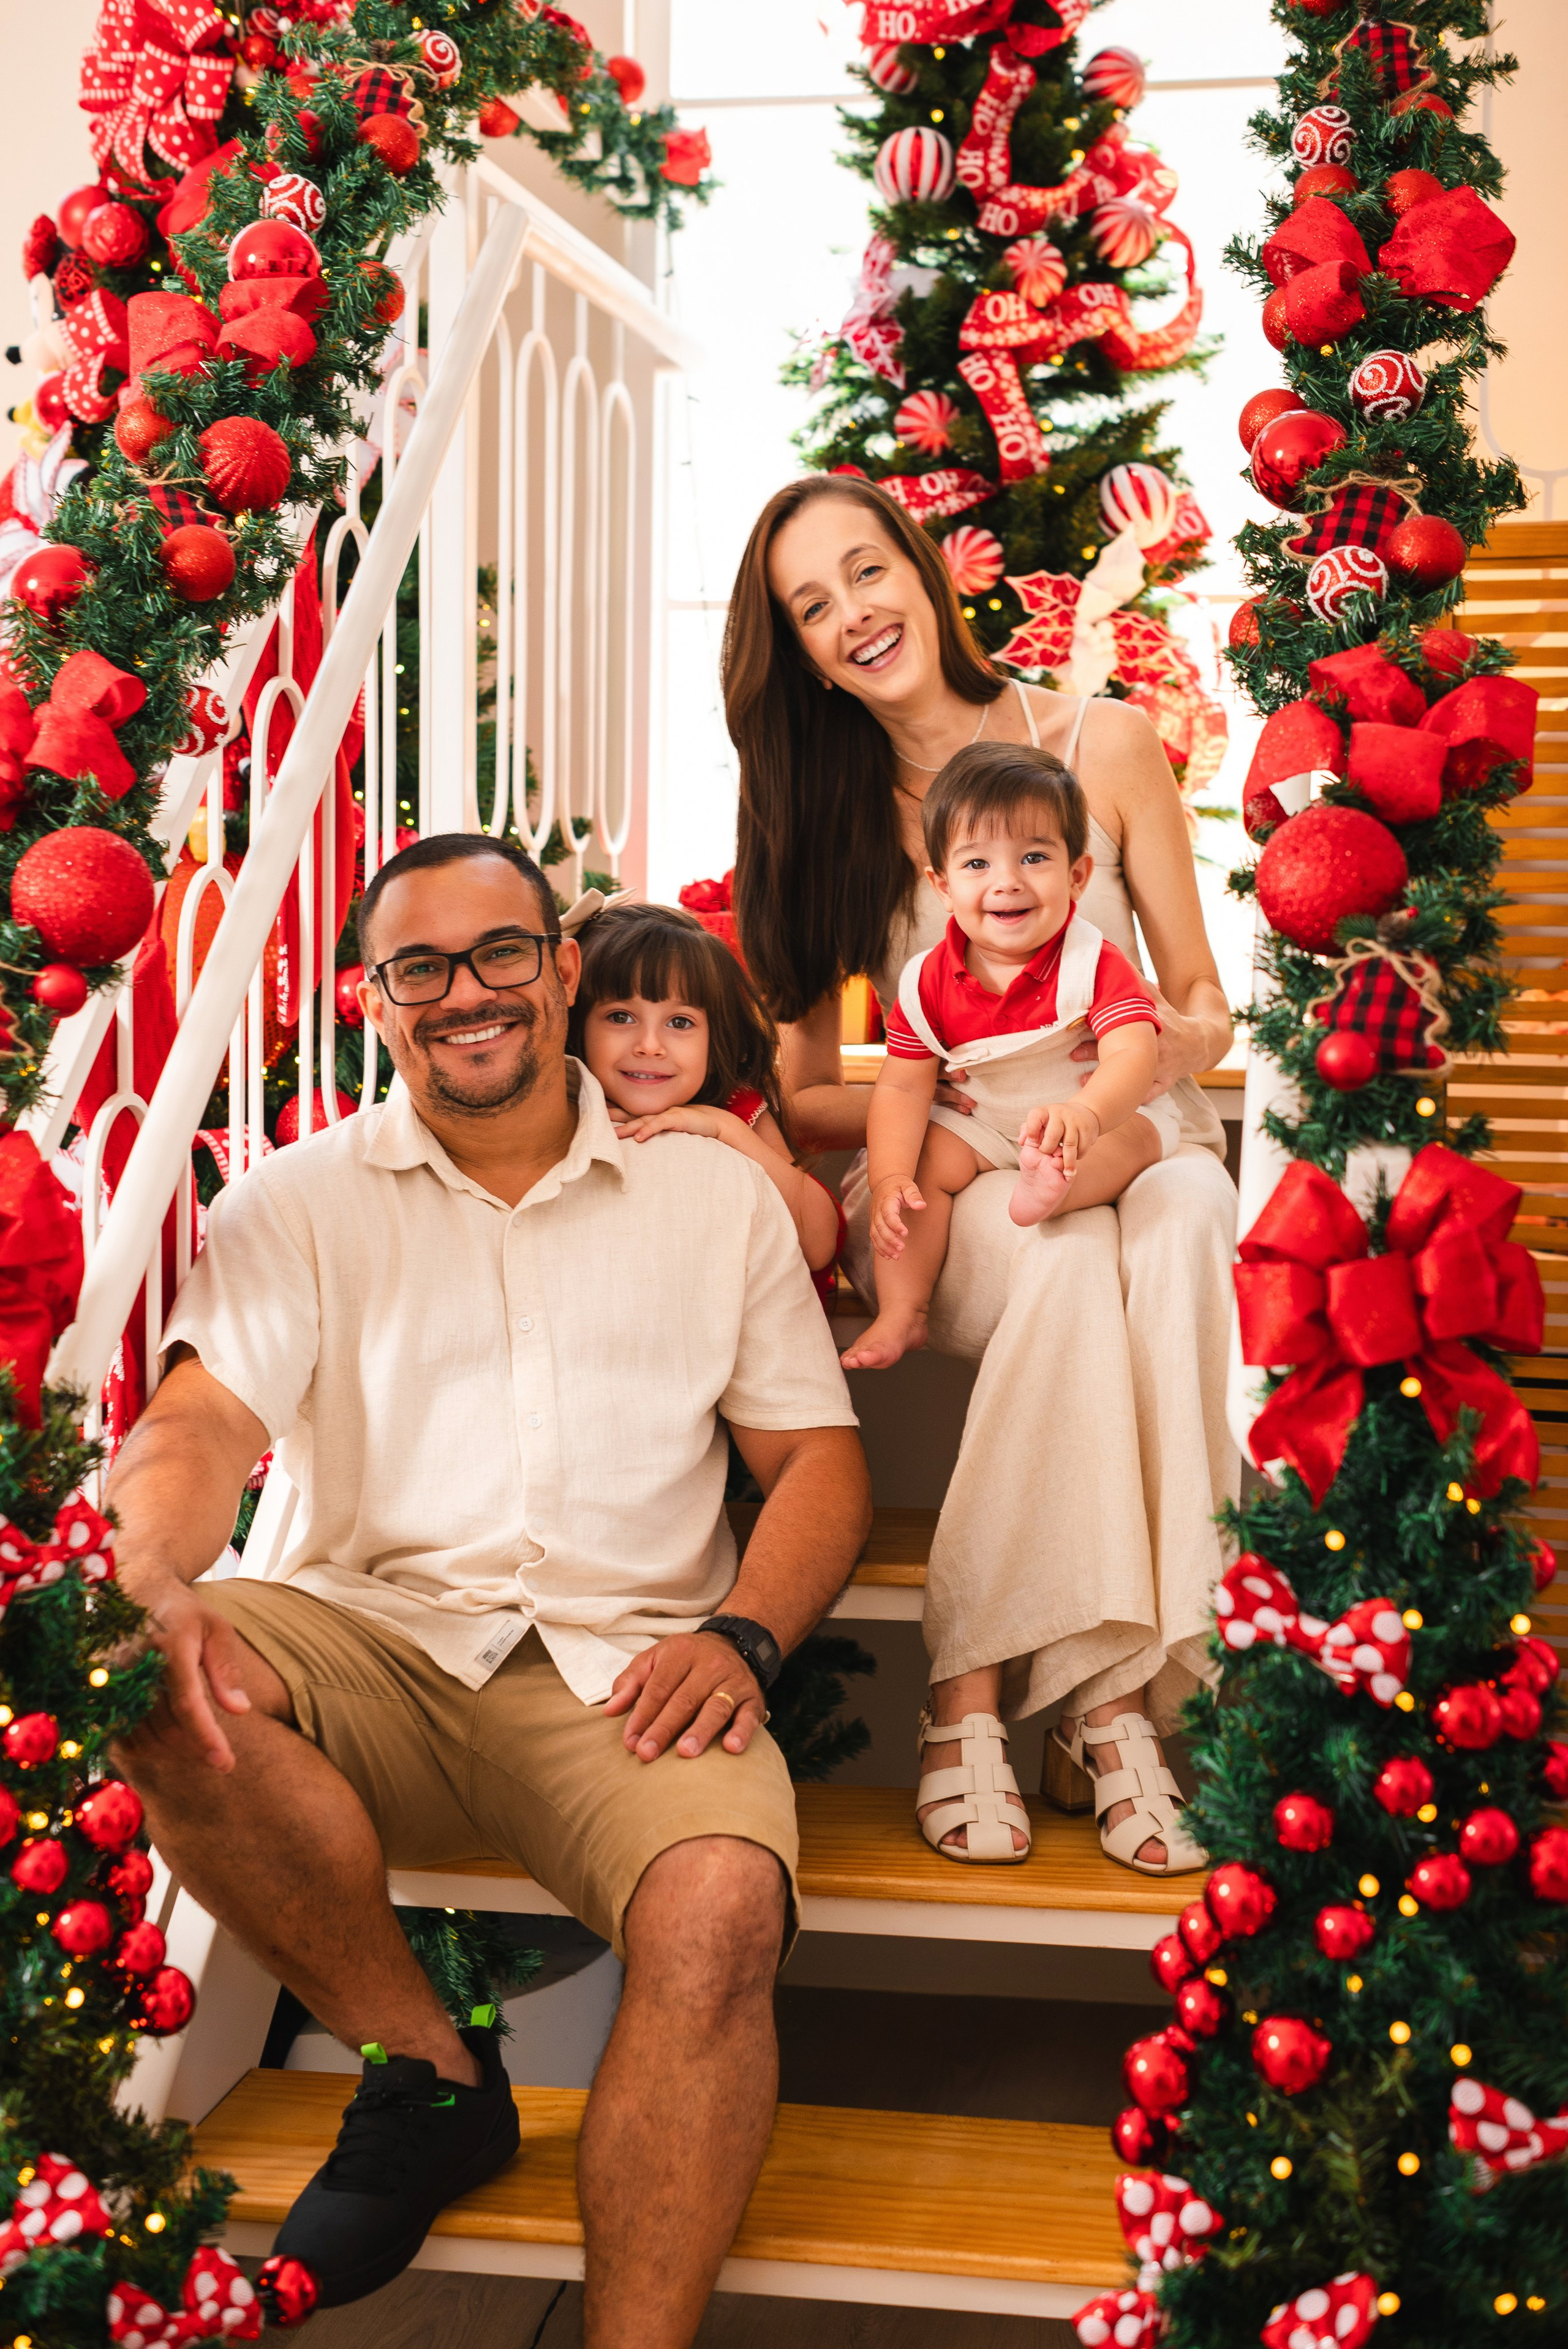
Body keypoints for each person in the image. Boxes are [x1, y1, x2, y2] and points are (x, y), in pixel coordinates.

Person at [105, 834, 871, 2342]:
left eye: (502, 954)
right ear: (374, 999)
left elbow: (821, 1469)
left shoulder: (707, 1196)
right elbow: (199, 1423)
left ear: (562, 964)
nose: (468, 994)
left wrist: (742, 1629)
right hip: (367, 1638)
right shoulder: (300, 1196)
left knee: (719, 1907)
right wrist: (147, 1566)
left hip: (625, 1665)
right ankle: (431, 2067)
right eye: (421, 967)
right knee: (146, 1666)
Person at [724, 473, 1236, 1878]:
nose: (851, 614)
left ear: (922, 568)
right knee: (1062, 1254)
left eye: (863, 570)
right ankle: (1091, 1706)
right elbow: (808, 1082)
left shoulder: (1100, 743)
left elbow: (1201, 1005)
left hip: (1133, 1132)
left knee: (1190, 1214)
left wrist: (1100, 1073)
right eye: (809, 608)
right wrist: (942, 1093)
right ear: (799, 652)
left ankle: (1092, 1694)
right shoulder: (818, 815)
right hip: (963, 1178)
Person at [844, 740, 1174, 1381]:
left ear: (1077, 875)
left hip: (1090, 1110)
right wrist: (888, 1178)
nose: (1007, 881)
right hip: (988, 1120)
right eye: (976, 862)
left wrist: (1089, 1111)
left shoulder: (1092, 962)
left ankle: (1055, 1185)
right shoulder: (925, 982)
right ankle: (903, 1309)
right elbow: (903, 1091)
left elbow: (1134, 1051)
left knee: (1136, 1139)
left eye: (1033, 856)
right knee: (923, 1168)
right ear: (941, 885)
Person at [570, 897, 844, 1298]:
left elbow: (820, 1243)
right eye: (620, 1017)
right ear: (579, 1026)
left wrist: (727, 1130)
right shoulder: (561, 1109)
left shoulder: (738, 1109)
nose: (649, 1045)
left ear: (716, 1038)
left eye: (680, 1022)